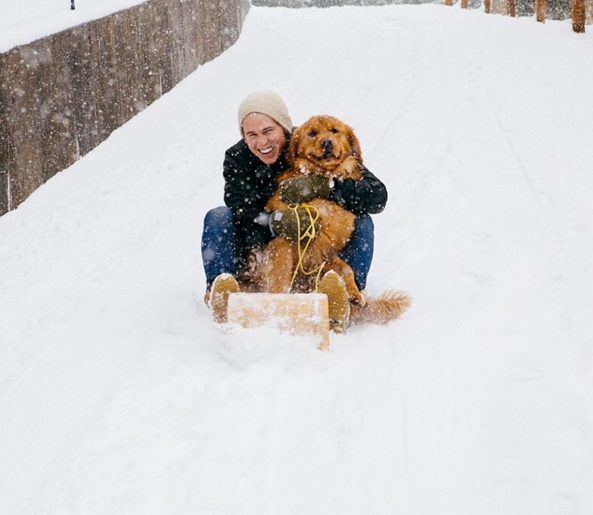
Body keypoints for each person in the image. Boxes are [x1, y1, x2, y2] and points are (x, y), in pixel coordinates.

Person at [201, 90, 388, 329]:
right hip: (259, 242)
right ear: (244, 137)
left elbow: (377, 197)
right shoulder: (239, 158)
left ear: (285, 129)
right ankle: (221, 291)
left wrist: (325, 187)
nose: (262, 142)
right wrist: (274, 222)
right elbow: (239, 210)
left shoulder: (306, 139)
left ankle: (346, 297)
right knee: (218, 217)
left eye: (269, 131)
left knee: (363, 220)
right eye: (252, 134)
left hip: (314, 253)